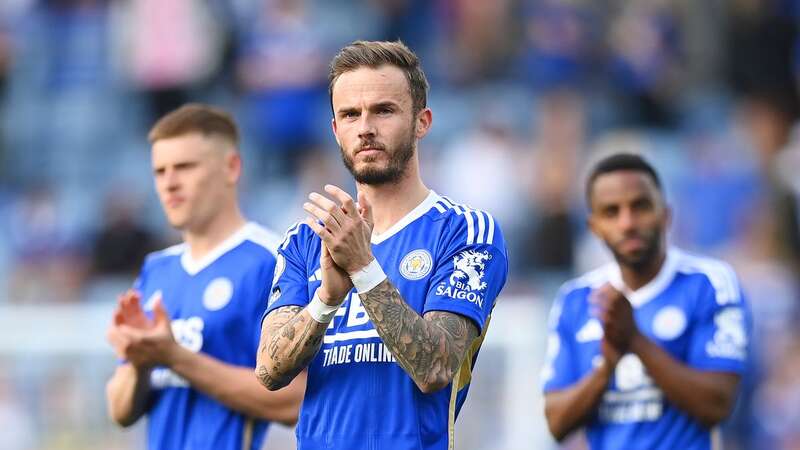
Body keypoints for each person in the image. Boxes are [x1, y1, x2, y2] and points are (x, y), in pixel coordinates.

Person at [255, 40, 509, 450]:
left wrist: (363, 268)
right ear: (336, 130)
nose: (365, 128)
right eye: (350, 115)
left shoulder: (465, 232)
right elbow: (268, 370)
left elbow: (435, 367)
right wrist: (325, 299)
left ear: (422, 121)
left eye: (384, 110)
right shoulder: (305, 240)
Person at [104, 103, 305, 450]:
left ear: (231, 167)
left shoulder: (272, 260)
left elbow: (295, 402)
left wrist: (174, 356)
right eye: (159, 171)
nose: (169, 183)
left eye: (184, 167)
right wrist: (140, 362)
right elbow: (119, 411)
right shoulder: (157, 269)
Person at [542, 153, 752, 449]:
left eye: (640, 206)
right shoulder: (574, 299)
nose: (627, 223)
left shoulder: (710, 283)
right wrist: (606, 367)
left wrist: (636, 341)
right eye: (611, 212)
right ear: (594, 227)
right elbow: (556, 421)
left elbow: (717, 405)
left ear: (666, 214)